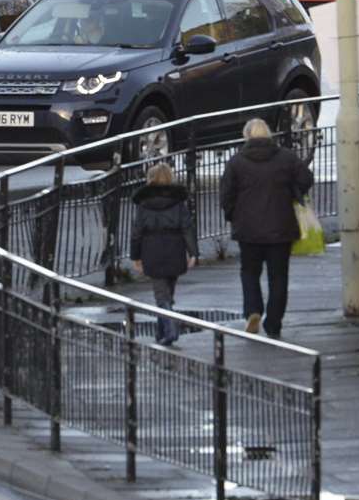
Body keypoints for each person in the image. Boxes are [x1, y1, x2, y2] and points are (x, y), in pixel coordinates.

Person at [219, 117, 314, 337]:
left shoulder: (236, 162)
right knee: (278, 276)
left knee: (249, 272)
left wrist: (233, 215)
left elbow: (226, 195)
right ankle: (274, 322)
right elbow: (306, 178)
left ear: (247, 136)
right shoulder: (286, 158)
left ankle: (253, 310)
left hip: (248, 229)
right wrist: (293, 191)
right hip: (281, 228)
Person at [129, 162, 198, 346]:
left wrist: (135, 256)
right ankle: (163, 332)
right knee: (168, 292)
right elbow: (187, 228)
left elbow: (137, 232)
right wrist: (193, 252)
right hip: (175, 248)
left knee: (161, 295)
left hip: (152, 249)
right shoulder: (178, 203)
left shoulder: (143, 204)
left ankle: (169, 329)